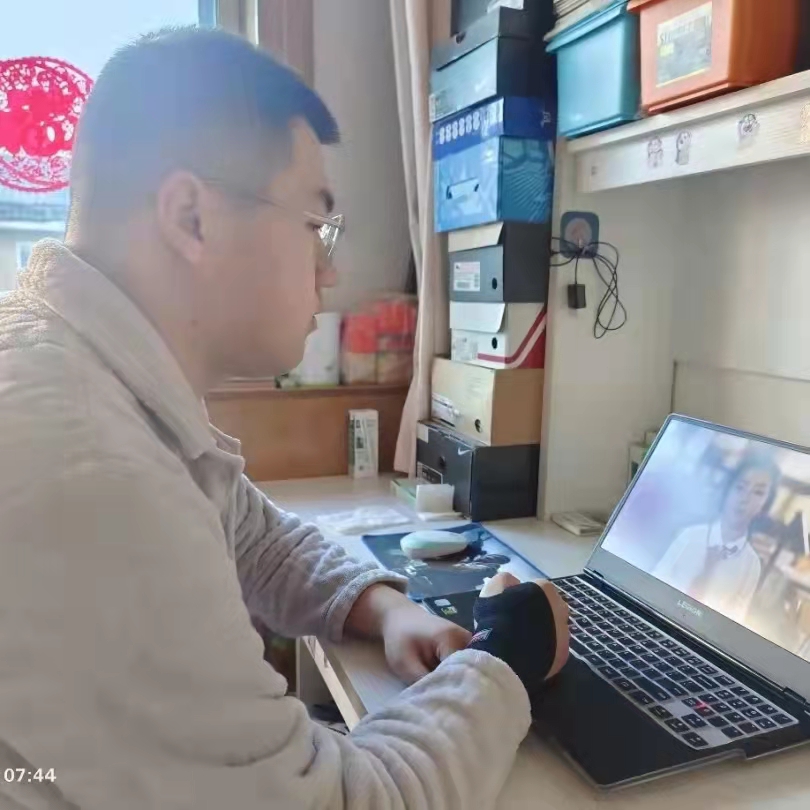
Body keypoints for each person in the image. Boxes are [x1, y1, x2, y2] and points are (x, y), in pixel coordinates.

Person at [0, 28, 569, 810]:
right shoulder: (94, 474)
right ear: (191, 217)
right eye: (315, 226)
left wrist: (383, 606)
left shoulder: (85, 365)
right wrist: (505, 655)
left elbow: (252, 536)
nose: (329, 270)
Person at [653, 456, 781, 623]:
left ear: (765, 506)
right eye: (740, 487)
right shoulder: (689, 535)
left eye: (758, 492)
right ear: (728, 490)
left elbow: (736, 619)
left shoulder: (751, 564)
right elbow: (654, 581)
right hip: (660, 615)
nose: (745, 498)